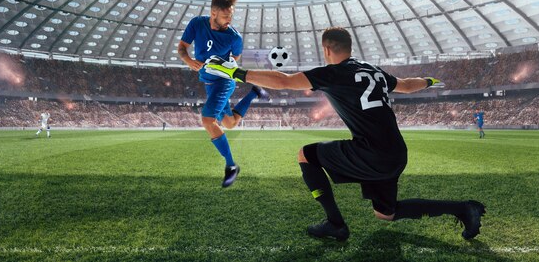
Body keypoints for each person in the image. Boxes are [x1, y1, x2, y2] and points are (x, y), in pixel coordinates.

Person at [206, 27, 486, 241]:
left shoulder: (333, 73)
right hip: (395, 153)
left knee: (306, 154)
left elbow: (283, 81)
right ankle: (463, 208)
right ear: (349, 48)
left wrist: (235, 72)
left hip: (371, 154)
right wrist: (429, 81)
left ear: (327, 50)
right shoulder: (373, 71)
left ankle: (335, 224)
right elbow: (406, 85)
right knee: (385, 214)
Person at [177, 0, 269, 188]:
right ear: (213, 13)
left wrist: (220, 67)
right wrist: (189, 61)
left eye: (231, 15)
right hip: (208, 83)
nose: (230, 19)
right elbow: (182, 47)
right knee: (230, 123)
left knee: (207, 120)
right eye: (226, 16)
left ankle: (231, 166)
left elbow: (234, 60)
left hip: (224, 82)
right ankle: (254, 93)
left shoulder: (234, 37)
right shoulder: (197, 24)